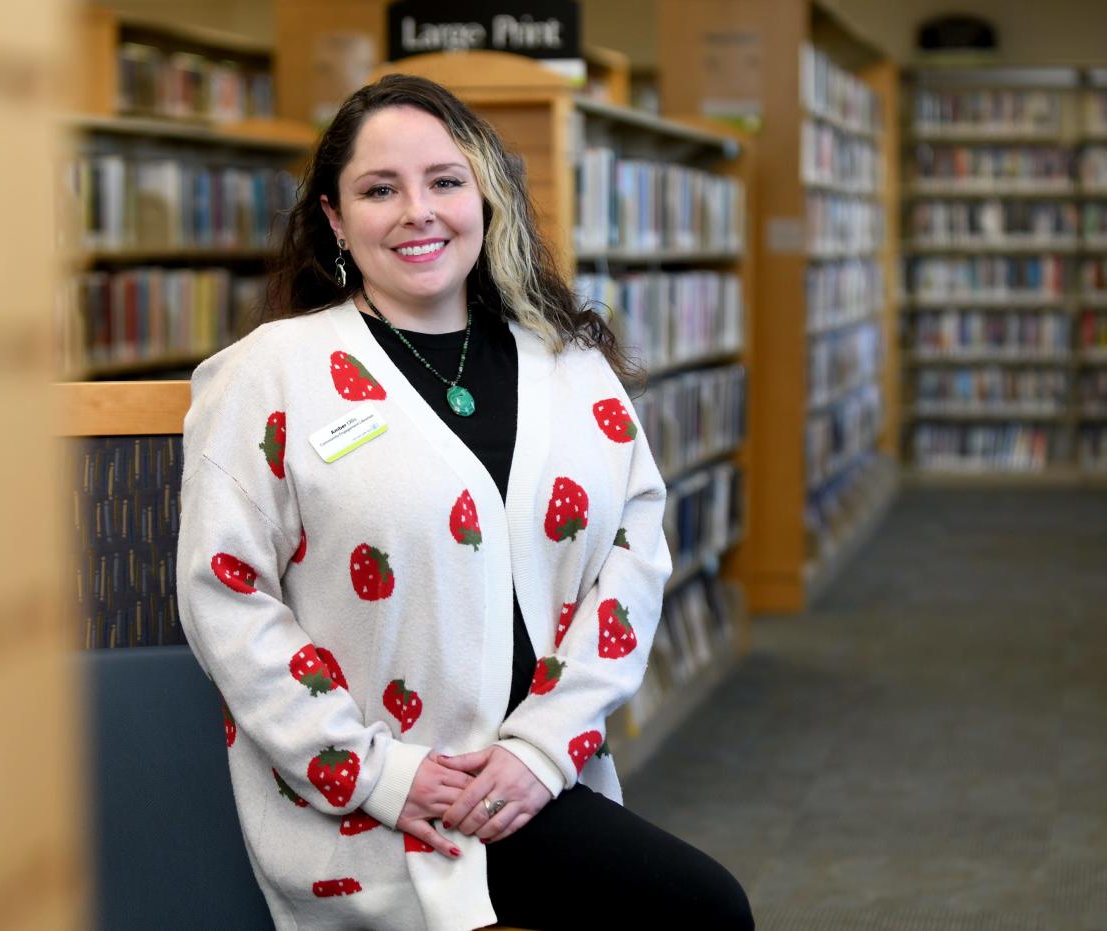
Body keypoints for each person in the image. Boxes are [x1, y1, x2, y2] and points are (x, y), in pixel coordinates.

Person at [175, 73, 754, 931]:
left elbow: (634, 557)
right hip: (373, 803)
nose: (420, 210)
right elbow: (227, 596)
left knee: (702, 909)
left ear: (485, 194)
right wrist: (375, 770)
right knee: (703, 911)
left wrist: (545, 746)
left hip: (529, 782)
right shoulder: (269, 374)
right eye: (381, 189)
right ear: (335, 218)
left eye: (445, 181)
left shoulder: (569, 364)